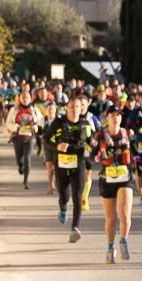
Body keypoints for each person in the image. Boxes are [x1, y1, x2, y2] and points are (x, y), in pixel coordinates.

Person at [44, 95, 97, 242]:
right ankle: (62, 207)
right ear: (66, 108)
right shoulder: (58, 123)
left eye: (77, 107)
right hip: (61, 164)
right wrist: (57, 146)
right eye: (71, 107)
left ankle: (75, 228)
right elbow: (45, 139)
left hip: (79, 162)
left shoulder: (85, 124)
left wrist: (93, 144)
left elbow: (90, 139)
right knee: (64, 195)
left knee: (77, 196)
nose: (74, 110)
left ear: (81, 109)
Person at [91, 106, 134, 264]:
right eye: (112, 115)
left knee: (125, 215)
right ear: (107, 117)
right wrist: (99, 157)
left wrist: (137, 164)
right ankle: (110, 248)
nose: (115, 117)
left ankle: (123, 241)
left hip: (124, 176)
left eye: (118, 115)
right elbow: (91, 154)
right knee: (111, 218)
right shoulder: (100, 134)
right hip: (107, 177)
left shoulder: (127, 134)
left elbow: (136, 154)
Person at [9, 92, 41, 190]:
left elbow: (40, 122)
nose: (25, 99)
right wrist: (16, 127)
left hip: (29, 137)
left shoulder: (34, 110)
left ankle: (26, 181)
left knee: (28, 158)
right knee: (19, 159)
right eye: (23, 97)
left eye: (27, 97)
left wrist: (34, 127)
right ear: (20, 99)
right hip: (17, 137)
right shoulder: (14, 110)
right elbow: (8, 123)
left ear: (30, 98)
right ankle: (20, 165)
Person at [39, 100, 59, 195]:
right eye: (49, 109)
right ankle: (52, 187)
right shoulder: (43, 120)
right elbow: (38, 133)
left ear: (56, 110)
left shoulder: (59, 120)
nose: (51, 110)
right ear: (46, 110)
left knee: (58, 168)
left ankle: (59, 185)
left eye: (52, 109)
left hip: (58, 147)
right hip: (47, 147)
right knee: (50, 169)